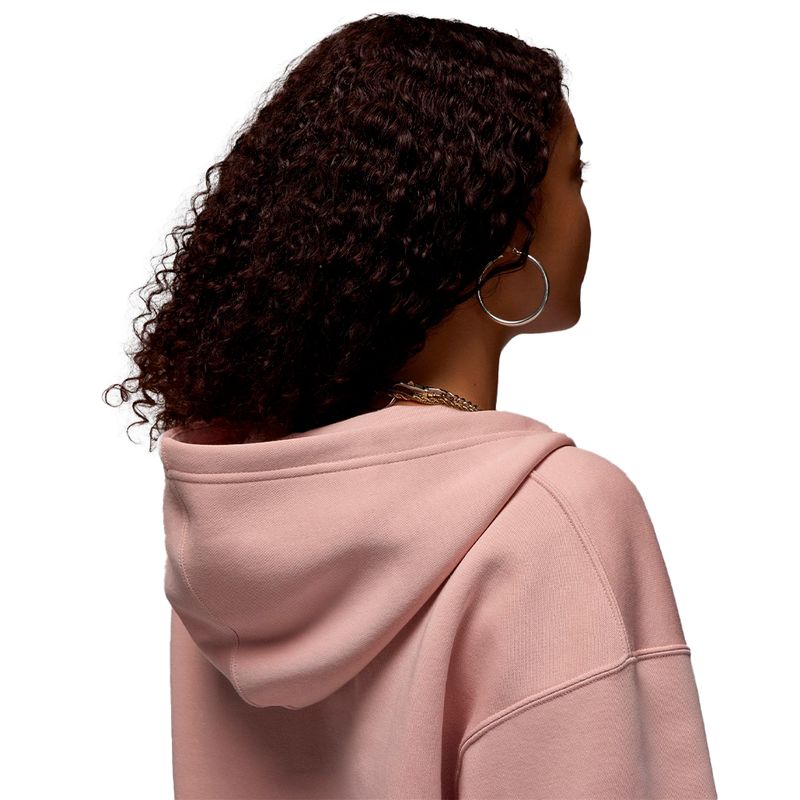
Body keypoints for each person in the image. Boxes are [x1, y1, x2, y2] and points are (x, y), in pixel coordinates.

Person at [105, 12, 717, 799]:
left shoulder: (243, 522)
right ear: (504, 229)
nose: (585, 209)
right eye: (575, 176)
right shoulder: (553, 511)